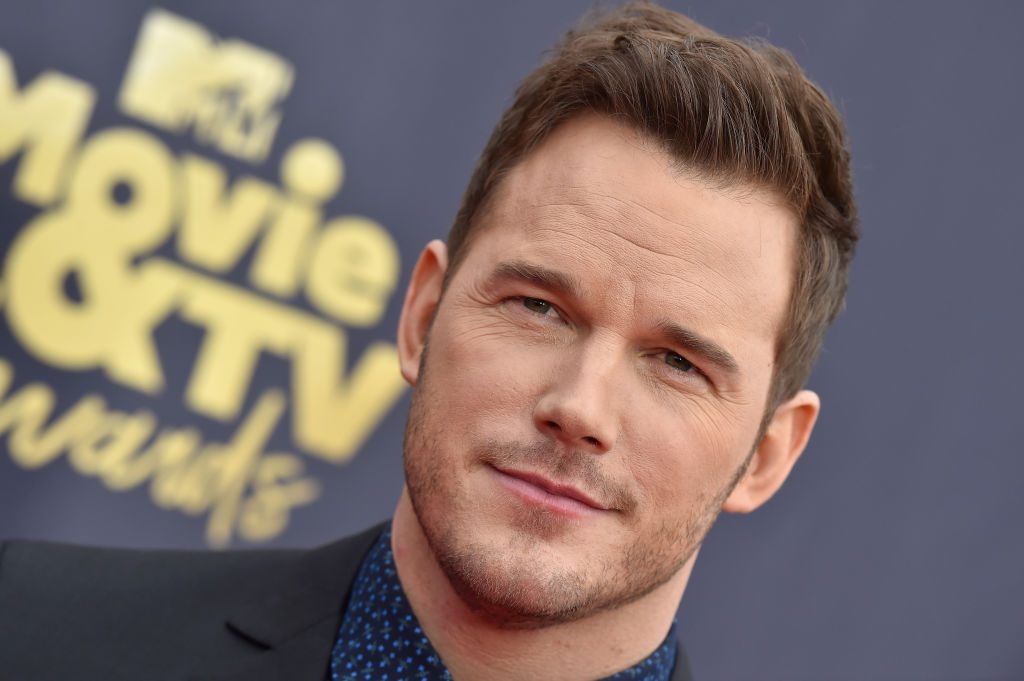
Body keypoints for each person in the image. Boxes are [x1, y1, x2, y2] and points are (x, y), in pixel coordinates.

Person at [0, 2, 857, 680]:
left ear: (767, 455)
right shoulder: (32, 629)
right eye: (539, 307)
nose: (579, 406)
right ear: (422, 315)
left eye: (676, 363)